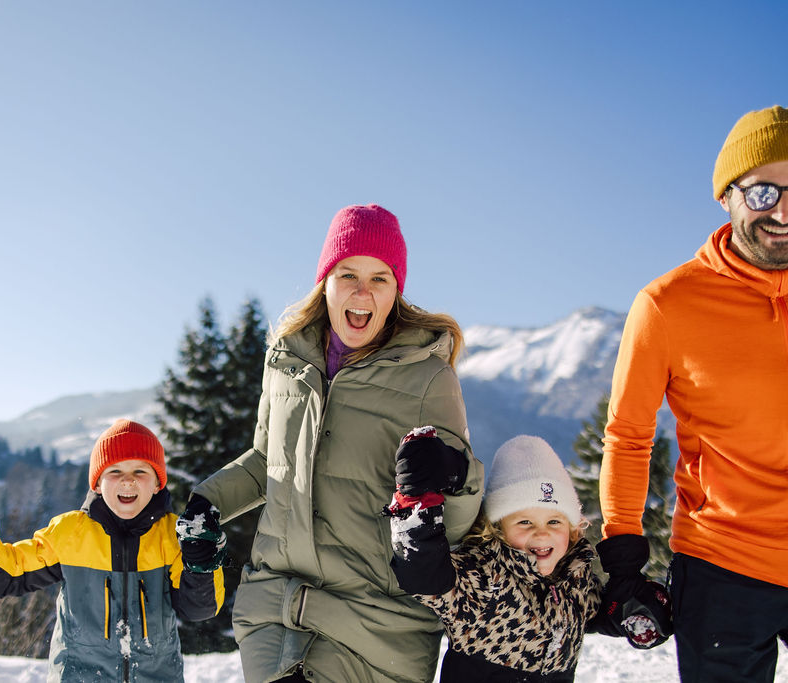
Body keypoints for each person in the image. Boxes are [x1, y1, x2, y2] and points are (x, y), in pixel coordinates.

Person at [176, 203, 485, 683]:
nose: (362, 292)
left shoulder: (428, 376)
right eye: (348, 274)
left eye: (379, 278)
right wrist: (208, 500)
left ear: (396, 289)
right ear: (326, 280)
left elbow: (451, 517)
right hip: (277, 604)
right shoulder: (286, 357)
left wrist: (452, 473)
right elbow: (267, 460)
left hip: (376, 621)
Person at [599, 104, 788, 682]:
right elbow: (629, 437)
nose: (782, 211)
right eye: (763, 193)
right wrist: (625, 556)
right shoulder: (668, 304)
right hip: (724, 565)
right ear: (727, 195)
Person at [0, 419, 225, 683]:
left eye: (140, 470)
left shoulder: (173, 537)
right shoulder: (70, 533)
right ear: (97, 482)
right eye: (115, 471)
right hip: (80, 676)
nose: (128, 480)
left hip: (157, 676)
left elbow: (198, 609)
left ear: (157, 483)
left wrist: (201, 563)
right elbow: (11, 575)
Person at [390, 432, 669, 682]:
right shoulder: (484, 576)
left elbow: (597, 613)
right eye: (525, 522)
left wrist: (629, 614)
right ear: (497, 528)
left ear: (572, 531)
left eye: (555, 522)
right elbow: (423, 575)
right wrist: (417, 503)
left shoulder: (576, 580)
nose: (541, 534)